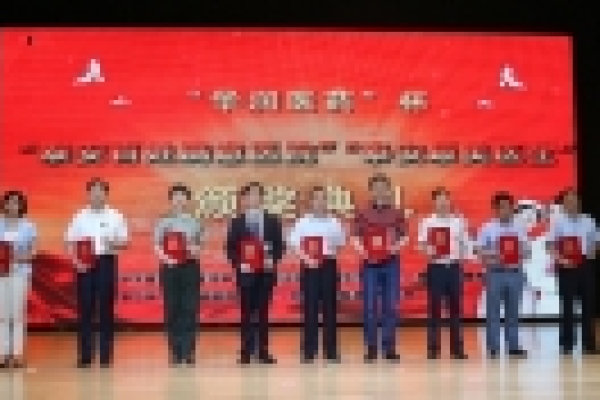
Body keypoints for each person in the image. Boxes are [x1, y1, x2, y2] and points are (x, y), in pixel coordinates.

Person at [65, 178, 129, 368]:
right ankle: (85, 355)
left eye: (101, 191)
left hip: (106, 262)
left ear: (106, 194)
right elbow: (69, 241)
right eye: (93, 191)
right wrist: (76, 262)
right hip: (84, 265)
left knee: (106, 309)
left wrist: (114, 243)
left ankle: (105, 356)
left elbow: (125, 242)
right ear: (88, 194)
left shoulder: (116, 215)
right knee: (85, 309)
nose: (97, 194)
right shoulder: (79, 216)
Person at [226, 182, 284, 364]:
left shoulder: (272, 220)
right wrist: (239, 263)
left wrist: (272, 259)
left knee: (263, 312)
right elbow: (230, 248)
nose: (254, 198)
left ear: (262, 198)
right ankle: (246, 350)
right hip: (246, 274)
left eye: (257, 194)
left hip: (265, 273)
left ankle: (263, 351)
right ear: (244, 199)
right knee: (246, 312)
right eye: (250, 195)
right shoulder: (237, 222)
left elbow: (279, 246)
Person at [288, 186, 345, 363]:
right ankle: (309, 351)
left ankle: (331, 351)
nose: (320, 202)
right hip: (309, 266)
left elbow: (340, 244)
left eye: (323, 198)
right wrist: (306, 259)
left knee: (330, 309)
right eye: (317, 198)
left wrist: (331, 252)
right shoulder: (303, 222)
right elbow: (294, 244)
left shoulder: (334, 222)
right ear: (311, 202)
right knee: (310, 308)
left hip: (328, 265)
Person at [352, 173, 406, 362]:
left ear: (388, 190)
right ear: (371, 191)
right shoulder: (362, 212)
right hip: (370, 264)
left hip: (391, 263)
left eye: (383, 187)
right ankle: (371, 347)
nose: (380, 191)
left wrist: (393, 248)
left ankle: (389, 347)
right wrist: (364, 252)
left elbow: (404, 236)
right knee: (369, 306)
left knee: (390, 305)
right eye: (376, 188)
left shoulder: (397, 213)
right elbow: (355, 236)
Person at [154, 184, 204, 366]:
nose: (179, 199)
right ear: (171, 200)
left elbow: (200, 245)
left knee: (190, 309)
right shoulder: (163, 221)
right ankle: (175, 352)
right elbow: (157, 245)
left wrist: (193, 249)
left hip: (190, 267)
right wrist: (167, 259)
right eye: (176, 196)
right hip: (170, 268)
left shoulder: (195, 222)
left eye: (183, 196)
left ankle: (189, 351)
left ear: (188, 200)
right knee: (172, 308)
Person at [476, 191, 529, 358]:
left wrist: (520, 252)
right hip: (495, 273)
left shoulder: (520, 227)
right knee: (493, 311)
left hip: (515, 272)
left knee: (513, 311)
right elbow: (479, 251)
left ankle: (513, 345)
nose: (506, 210)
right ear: (496, 209)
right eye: (503, 207)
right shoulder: (487, 228)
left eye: (509, 207)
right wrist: (495, 254)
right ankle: (493, 347)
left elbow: (527, 250)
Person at [546, 188, 599, 355]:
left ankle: (589, 343)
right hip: (566, 266)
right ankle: (567, 343)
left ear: (579, 202)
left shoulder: (589, 220)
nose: (572, 204)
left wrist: (594, 251)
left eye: (575, 200)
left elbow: (596, 241)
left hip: (585, 265)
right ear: (563, 205)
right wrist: (561, 260)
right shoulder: (557, 222)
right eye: (568, 201)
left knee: (588, 305)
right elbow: (550, 245)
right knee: (567, 306)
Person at [417, 187, 468, 359]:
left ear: (450, 201)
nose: (443, 203)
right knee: (434, 309)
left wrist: (462, 258)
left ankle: (457, 349)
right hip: (436, 268)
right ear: (434, 202)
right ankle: (433, 348)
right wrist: (429, 251)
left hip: (453, 268)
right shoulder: (427, 222)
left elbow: (464, 243)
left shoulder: (458, 221)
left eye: (446, 199)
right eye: (439, 200)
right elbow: (421, 244)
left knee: (456, 309)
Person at [0, 191, 37, 369]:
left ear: (22, 206)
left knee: (17, 314)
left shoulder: (29, 226)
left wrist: (18, 257)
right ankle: (2, 353)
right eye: (10, 202)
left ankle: (17, 354)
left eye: (17, 202)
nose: (13, 205)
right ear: (4, 204)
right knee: (2, 314)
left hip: (20, 273)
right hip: (1, 274)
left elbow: (33, 252)